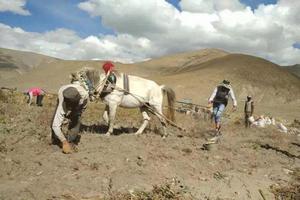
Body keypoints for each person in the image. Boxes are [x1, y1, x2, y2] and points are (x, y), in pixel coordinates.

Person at [51, 83, 89, 154]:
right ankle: (56, 141)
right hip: (63, 97)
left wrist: (77, 112)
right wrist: (63, 141)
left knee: (76, 119)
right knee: (55, 120)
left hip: (79, 104)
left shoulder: (84, 95)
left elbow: (84, 106)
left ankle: (71, 140)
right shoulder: (62, 100)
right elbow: (55, 126)